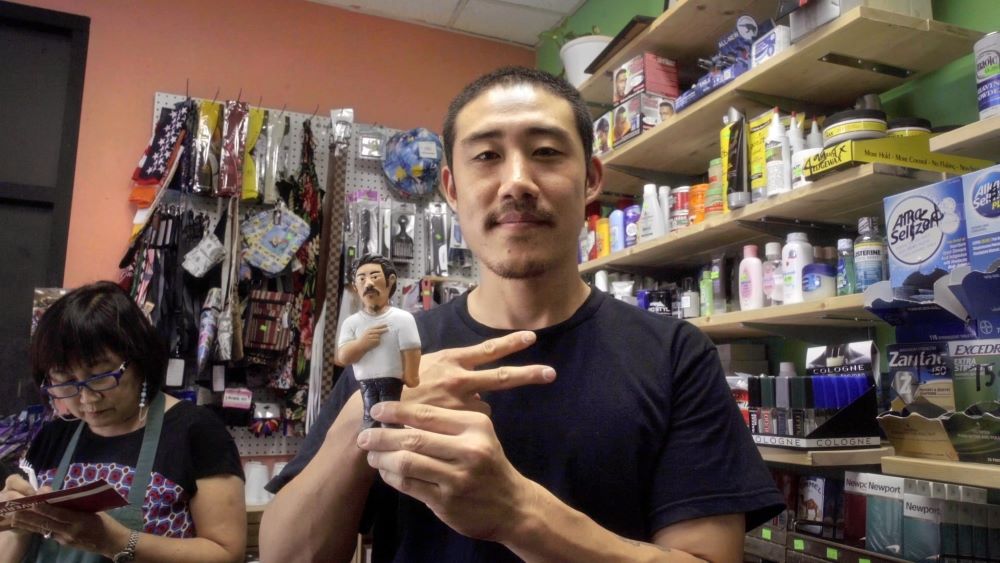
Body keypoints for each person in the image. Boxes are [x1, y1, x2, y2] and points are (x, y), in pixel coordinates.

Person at [260, 66, 783, 562]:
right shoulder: (388, 350)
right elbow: (285, 554)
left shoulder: (675, 355)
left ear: (591, 179)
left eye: (548, 152)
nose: (517, 182)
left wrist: (516, 513)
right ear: (451, 188)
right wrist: (371, 408)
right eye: (486, 156)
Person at [0, 282, 246, 563]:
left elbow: (227, 554)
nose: (87, 398)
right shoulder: (54, 436)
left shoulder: (195, 431)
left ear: (138, 360)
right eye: (66, 381)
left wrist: (116, 541)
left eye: (101, 375)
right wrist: (20, 522)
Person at [336, 254, 421, 429]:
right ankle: (370, 441)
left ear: (390, 281)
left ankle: (390, 439)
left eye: (374, 277)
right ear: (355, 287)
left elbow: (411, 349)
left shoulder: (403, 319)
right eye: (362, 279)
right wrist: (362, 344)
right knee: (370, 418)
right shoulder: (351, 323)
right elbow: (343, 357)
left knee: (390, 417)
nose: (368, 284)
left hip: (392, 381)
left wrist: (411, 375)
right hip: (365, 382)